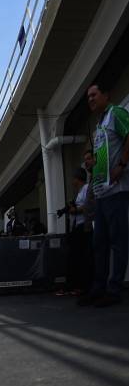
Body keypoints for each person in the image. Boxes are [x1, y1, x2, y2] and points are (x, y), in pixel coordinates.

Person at [79, 82, 129, 308]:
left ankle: (114, 289)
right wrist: (94, 167)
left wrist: (121, 164)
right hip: (100, 194)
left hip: (116, 191)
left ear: (106, 95)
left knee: (118, 242)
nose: (90, 99)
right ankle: (98, 288)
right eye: (88, 96)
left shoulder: (116, 113)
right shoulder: (98, 126)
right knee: (99, 244)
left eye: (93, 94)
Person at [59, 167, 92, 296]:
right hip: (77, 227)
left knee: (78, 257)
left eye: (73, 178)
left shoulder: (86, 189)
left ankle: (78, 286)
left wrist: (75, 210)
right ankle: (77, 285)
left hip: (82, 227)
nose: (72, 181)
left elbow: (89, 206)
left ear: (77, 178)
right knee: (75, 257)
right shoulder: (80, 192)